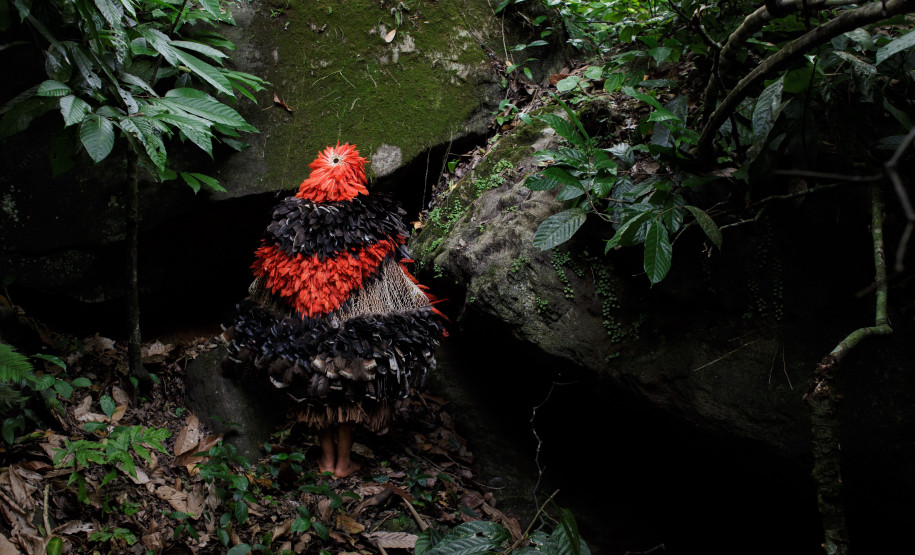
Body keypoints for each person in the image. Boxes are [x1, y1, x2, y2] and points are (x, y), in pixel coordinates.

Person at [224, 143, 445, 478]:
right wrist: (417, 305)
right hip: (352, 341)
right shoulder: (370, 226)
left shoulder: (291, 226)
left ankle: (326, 462)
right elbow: (391, 274)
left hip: (304, 337)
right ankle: (343, 463)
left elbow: (268, 276)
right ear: (355, 179)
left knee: (318, 403)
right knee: (347, 405)